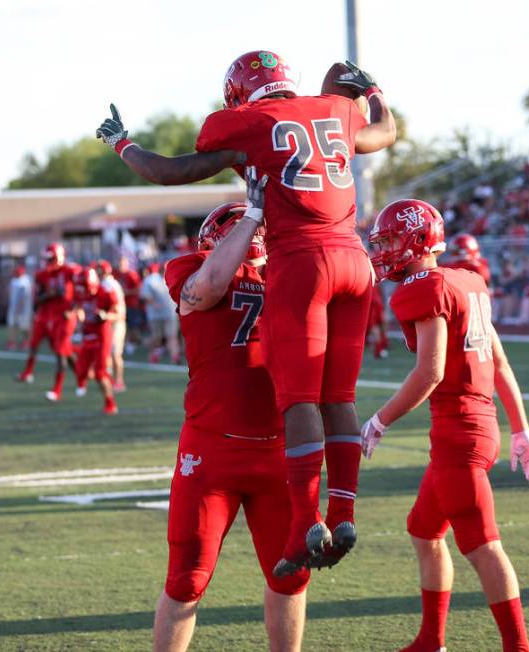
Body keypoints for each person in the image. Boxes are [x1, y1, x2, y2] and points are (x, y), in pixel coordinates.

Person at [97, 53, 396, 574]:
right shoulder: (333, 108)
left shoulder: (240, 124)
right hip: (355, 259)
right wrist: (371, 90)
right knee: (340, 397)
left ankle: (307, 519)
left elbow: (170, 172)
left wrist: (123, 144)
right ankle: (343, 511)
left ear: (238, 92)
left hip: (304, 262)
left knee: (300, 398)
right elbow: (384, 133)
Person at [363, 199, 529, 652]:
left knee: (483, 546)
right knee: (423, 531)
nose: (383, 250)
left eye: (388, 240)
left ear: (415, 240)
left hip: (459, 433)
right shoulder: (467, 279)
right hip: (478, 427)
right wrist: (520, 430)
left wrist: (380, 420)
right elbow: (499, 362)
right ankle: (431, 639)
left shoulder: (426, 287)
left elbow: (430, 371)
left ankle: (518, 647)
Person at [158, 170, 309, 651]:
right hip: (211, 454)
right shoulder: (189, 269)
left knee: (291, 577)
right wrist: (255, 215)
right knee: (187, 580)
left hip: (281, 451)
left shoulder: (288, 275)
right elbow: (212, 284)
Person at [17, 243, 79, 402]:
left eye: (50, 259)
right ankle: (81, 374)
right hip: (46, 315)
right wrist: (50, 294)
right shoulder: (42, 274)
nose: (47, 262)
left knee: (61, 352)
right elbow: (37, 299)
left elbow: (82, 293)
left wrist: (75, 309)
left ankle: (57, 390)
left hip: (64, 316)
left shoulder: (71, 271)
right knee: (38, 344)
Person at [73, 267, 119, 415]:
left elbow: (118, 314)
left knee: (99, 373)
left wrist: (105, 315)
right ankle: (107, 379)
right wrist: (80, 317)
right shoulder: (81, 293)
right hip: (88, 333)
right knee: (81, 369)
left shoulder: (106, 293)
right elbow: (79, 307)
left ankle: (110, 404)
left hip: (102, 335)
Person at [96, 260, 127, 391]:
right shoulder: (106, 283)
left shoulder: (108, 284)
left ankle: (119, 381)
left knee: (115, 354)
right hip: (110, 321)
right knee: (107, 353)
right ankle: (110, 378)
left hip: (116, 322)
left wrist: (106, 315)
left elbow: (117, 310)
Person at [141, 263, 181, 365]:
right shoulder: (151, 280)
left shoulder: (174, 278)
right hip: (155, 315)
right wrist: (154, 304)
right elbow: (145, 296)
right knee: (157, 337)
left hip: (170, 313)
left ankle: (175, 357)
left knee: (171, 335)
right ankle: (153, 354)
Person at [115, 256, 143, 352]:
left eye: (122, 264)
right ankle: (126, 343)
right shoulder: (116, 274)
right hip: (120, 305)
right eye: (119, 263)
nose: (120, 266)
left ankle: (134, 342)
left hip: (131, 304)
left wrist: (127, 292)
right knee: (123, 325)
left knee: (133, 326)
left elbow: (138, 289)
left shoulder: (132, 274)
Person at [6, 265, 33, 350]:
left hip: (24, 309)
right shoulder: (14, 280)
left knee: (25, 326)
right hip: (13, 307)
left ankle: (26, 342)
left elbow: (24, 296)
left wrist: (19, 307)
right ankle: (12, 341)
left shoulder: (26, 281)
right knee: (12, 325)